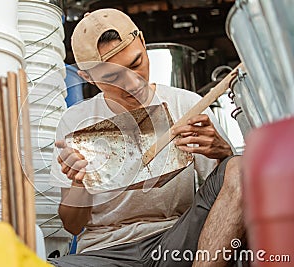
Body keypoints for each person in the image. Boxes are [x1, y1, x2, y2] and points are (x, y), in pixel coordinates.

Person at [49, 8, 244, 267]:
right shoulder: (76, 122)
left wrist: (221, 153)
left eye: (136, 63)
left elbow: (229, 197)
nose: (132, 83)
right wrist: (79, 184)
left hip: (177, 240)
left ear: (142, 42)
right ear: (88, 77)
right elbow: (73, 226)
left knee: (242, 168)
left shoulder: (185, 104)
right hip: (107, 252)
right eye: (112, 78)